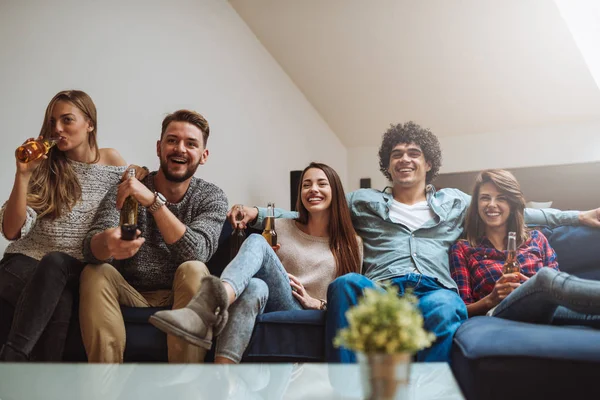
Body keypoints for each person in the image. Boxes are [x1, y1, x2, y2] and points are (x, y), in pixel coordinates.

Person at [218, 121, 600, 363]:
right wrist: (258, 212)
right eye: (397, 154)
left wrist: (575, 216)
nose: (405, 159)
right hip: (381, 290)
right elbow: (314, 208)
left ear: (428, 163)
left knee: (447, 304)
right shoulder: (365, 202)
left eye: (414, 153)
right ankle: (349, 389)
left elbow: (515, 209)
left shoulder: (454, 202)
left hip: (435, 287)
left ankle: (426, 391)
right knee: (346, 285)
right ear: (388, 163)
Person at [149, 162, 363, 364]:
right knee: (255, 281)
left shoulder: (351, 243)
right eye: (306, 185)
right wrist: (269, 261)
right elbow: (263, 268)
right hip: (277, 298)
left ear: (335, 191)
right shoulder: (280, 226)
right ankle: (223, 375)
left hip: (313, 310)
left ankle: (209, 306)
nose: (313, 189)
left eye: (321, 183)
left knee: (258, 243)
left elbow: (351, 296)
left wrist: (319, 303)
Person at [0, 90, 145, 362]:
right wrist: (22, 176)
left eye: (67, 120)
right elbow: (11, 231)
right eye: (52, 121)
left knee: (60, 276)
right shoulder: (44, 165)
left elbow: (130, 190)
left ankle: (11, 364)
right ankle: (23, 370)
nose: (57, 129)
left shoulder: (112, 160)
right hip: (27, 262)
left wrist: (141, 173)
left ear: (89, 123)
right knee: (61, 301)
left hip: (76, 267)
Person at [79, 109, 228, 363]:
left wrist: (153, 202)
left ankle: (184, 389)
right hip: (130, 292)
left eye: (191, 144)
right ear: (159, 147)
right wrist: (108, 243)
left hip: (181, 294)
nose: (180, 149)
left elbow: (197, 252)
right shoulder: (127, 188)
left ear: (203, 156)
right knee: (95, 272)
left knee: (194, 269)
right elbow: (90, 247)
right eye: (172, 140)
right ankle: (104, 388)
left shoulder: (210, 197)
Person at [450, 169, 600, 325]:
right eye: (485, 198)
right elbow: (462, 310)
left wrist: (532, 290)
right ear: (476, 204)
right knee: (545, 278)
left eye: (501, 198)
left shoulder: (536, 239)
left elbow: (559, 290)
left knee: (588, 313)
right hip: (500, 312)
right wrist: (491, 299)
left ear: (512, 204)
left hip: (545, 308)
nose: (492, 205)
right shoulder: (463, 249)